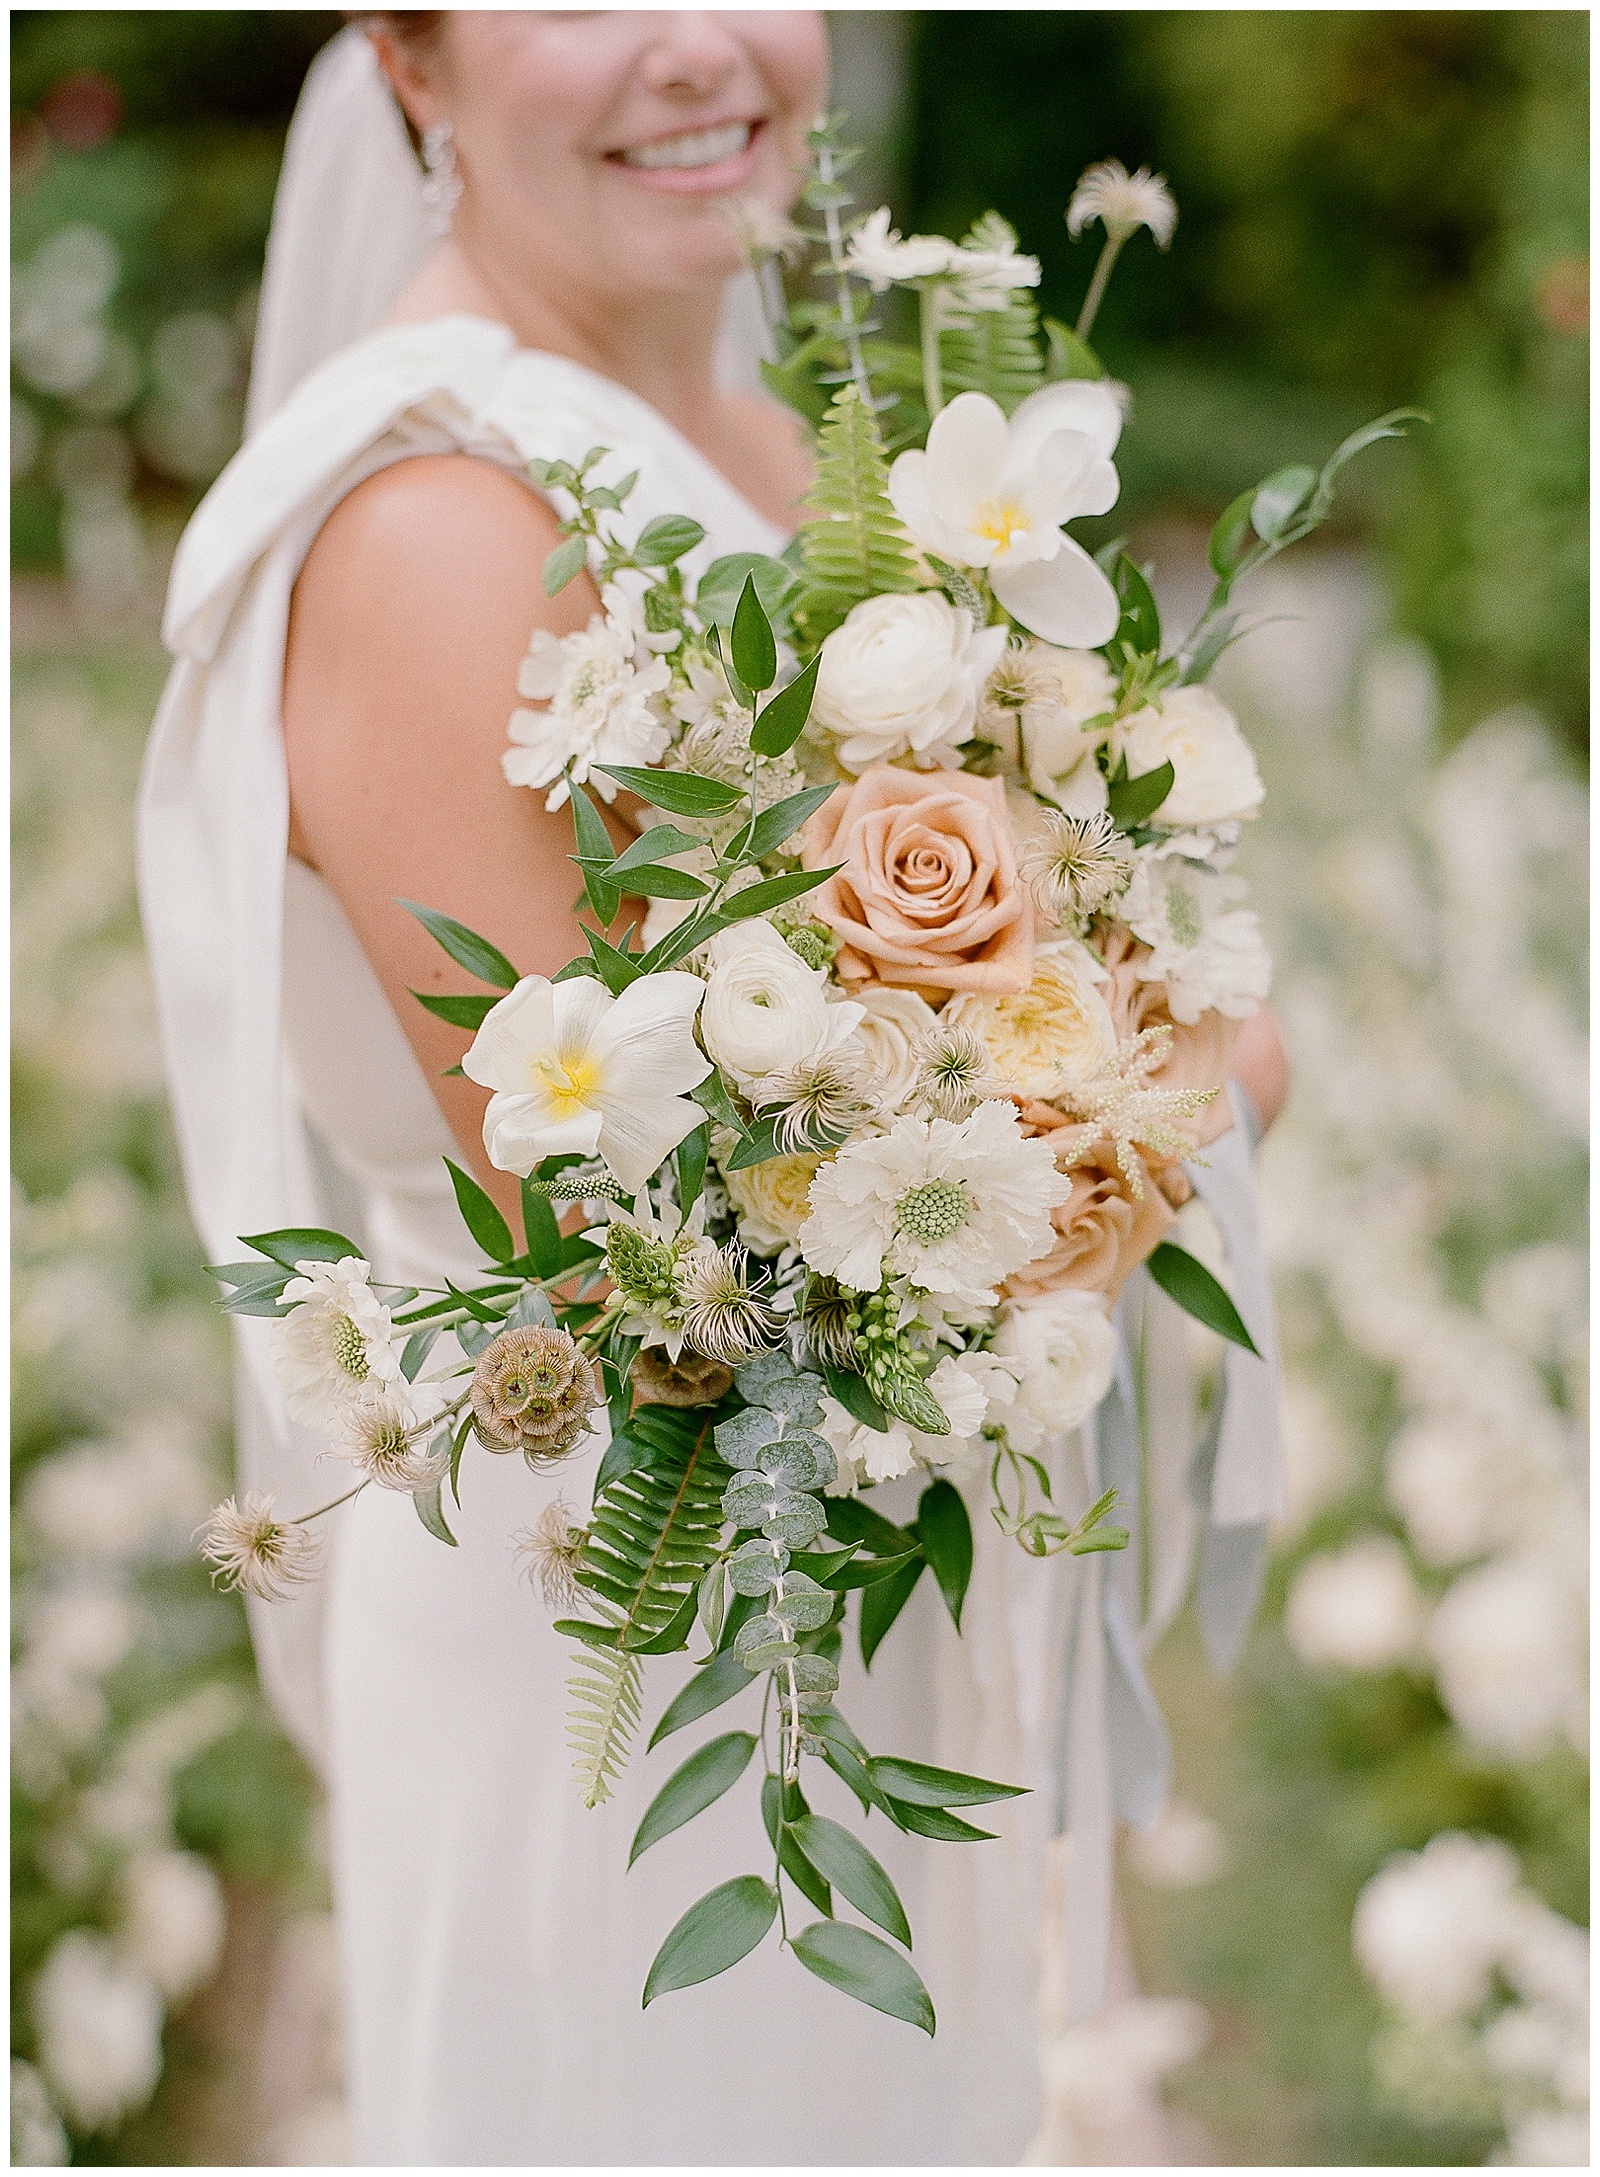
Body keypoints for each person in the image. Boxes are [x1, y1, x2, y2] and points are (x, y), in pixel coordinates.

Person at [139, 16, 1286, 2163]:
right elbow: (667, 1283)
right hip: (646, 1648)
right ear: (409, 51)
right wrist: (1195, 1084)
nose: (699, 46)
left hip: (840, 1616)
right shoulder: (435, 529)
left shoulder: (793, 449)